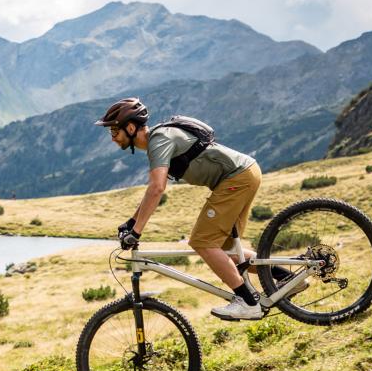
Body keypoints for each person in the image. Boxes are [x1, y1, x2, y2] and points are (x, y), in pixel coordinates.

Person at [95, 97, 304, 321]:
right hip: (244, 174)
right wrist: (131, 221)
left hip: (237, 178)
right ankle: (286, 277)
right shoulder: (159, 140)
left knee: (202, 242)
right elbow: (152, 190)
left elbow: (156, 188)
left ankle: (248, 302)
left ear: (130, 127)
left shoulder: (159, 140)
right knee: (226, 252)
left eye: (115, 131)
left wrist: (136, 231)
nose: (113, 138)